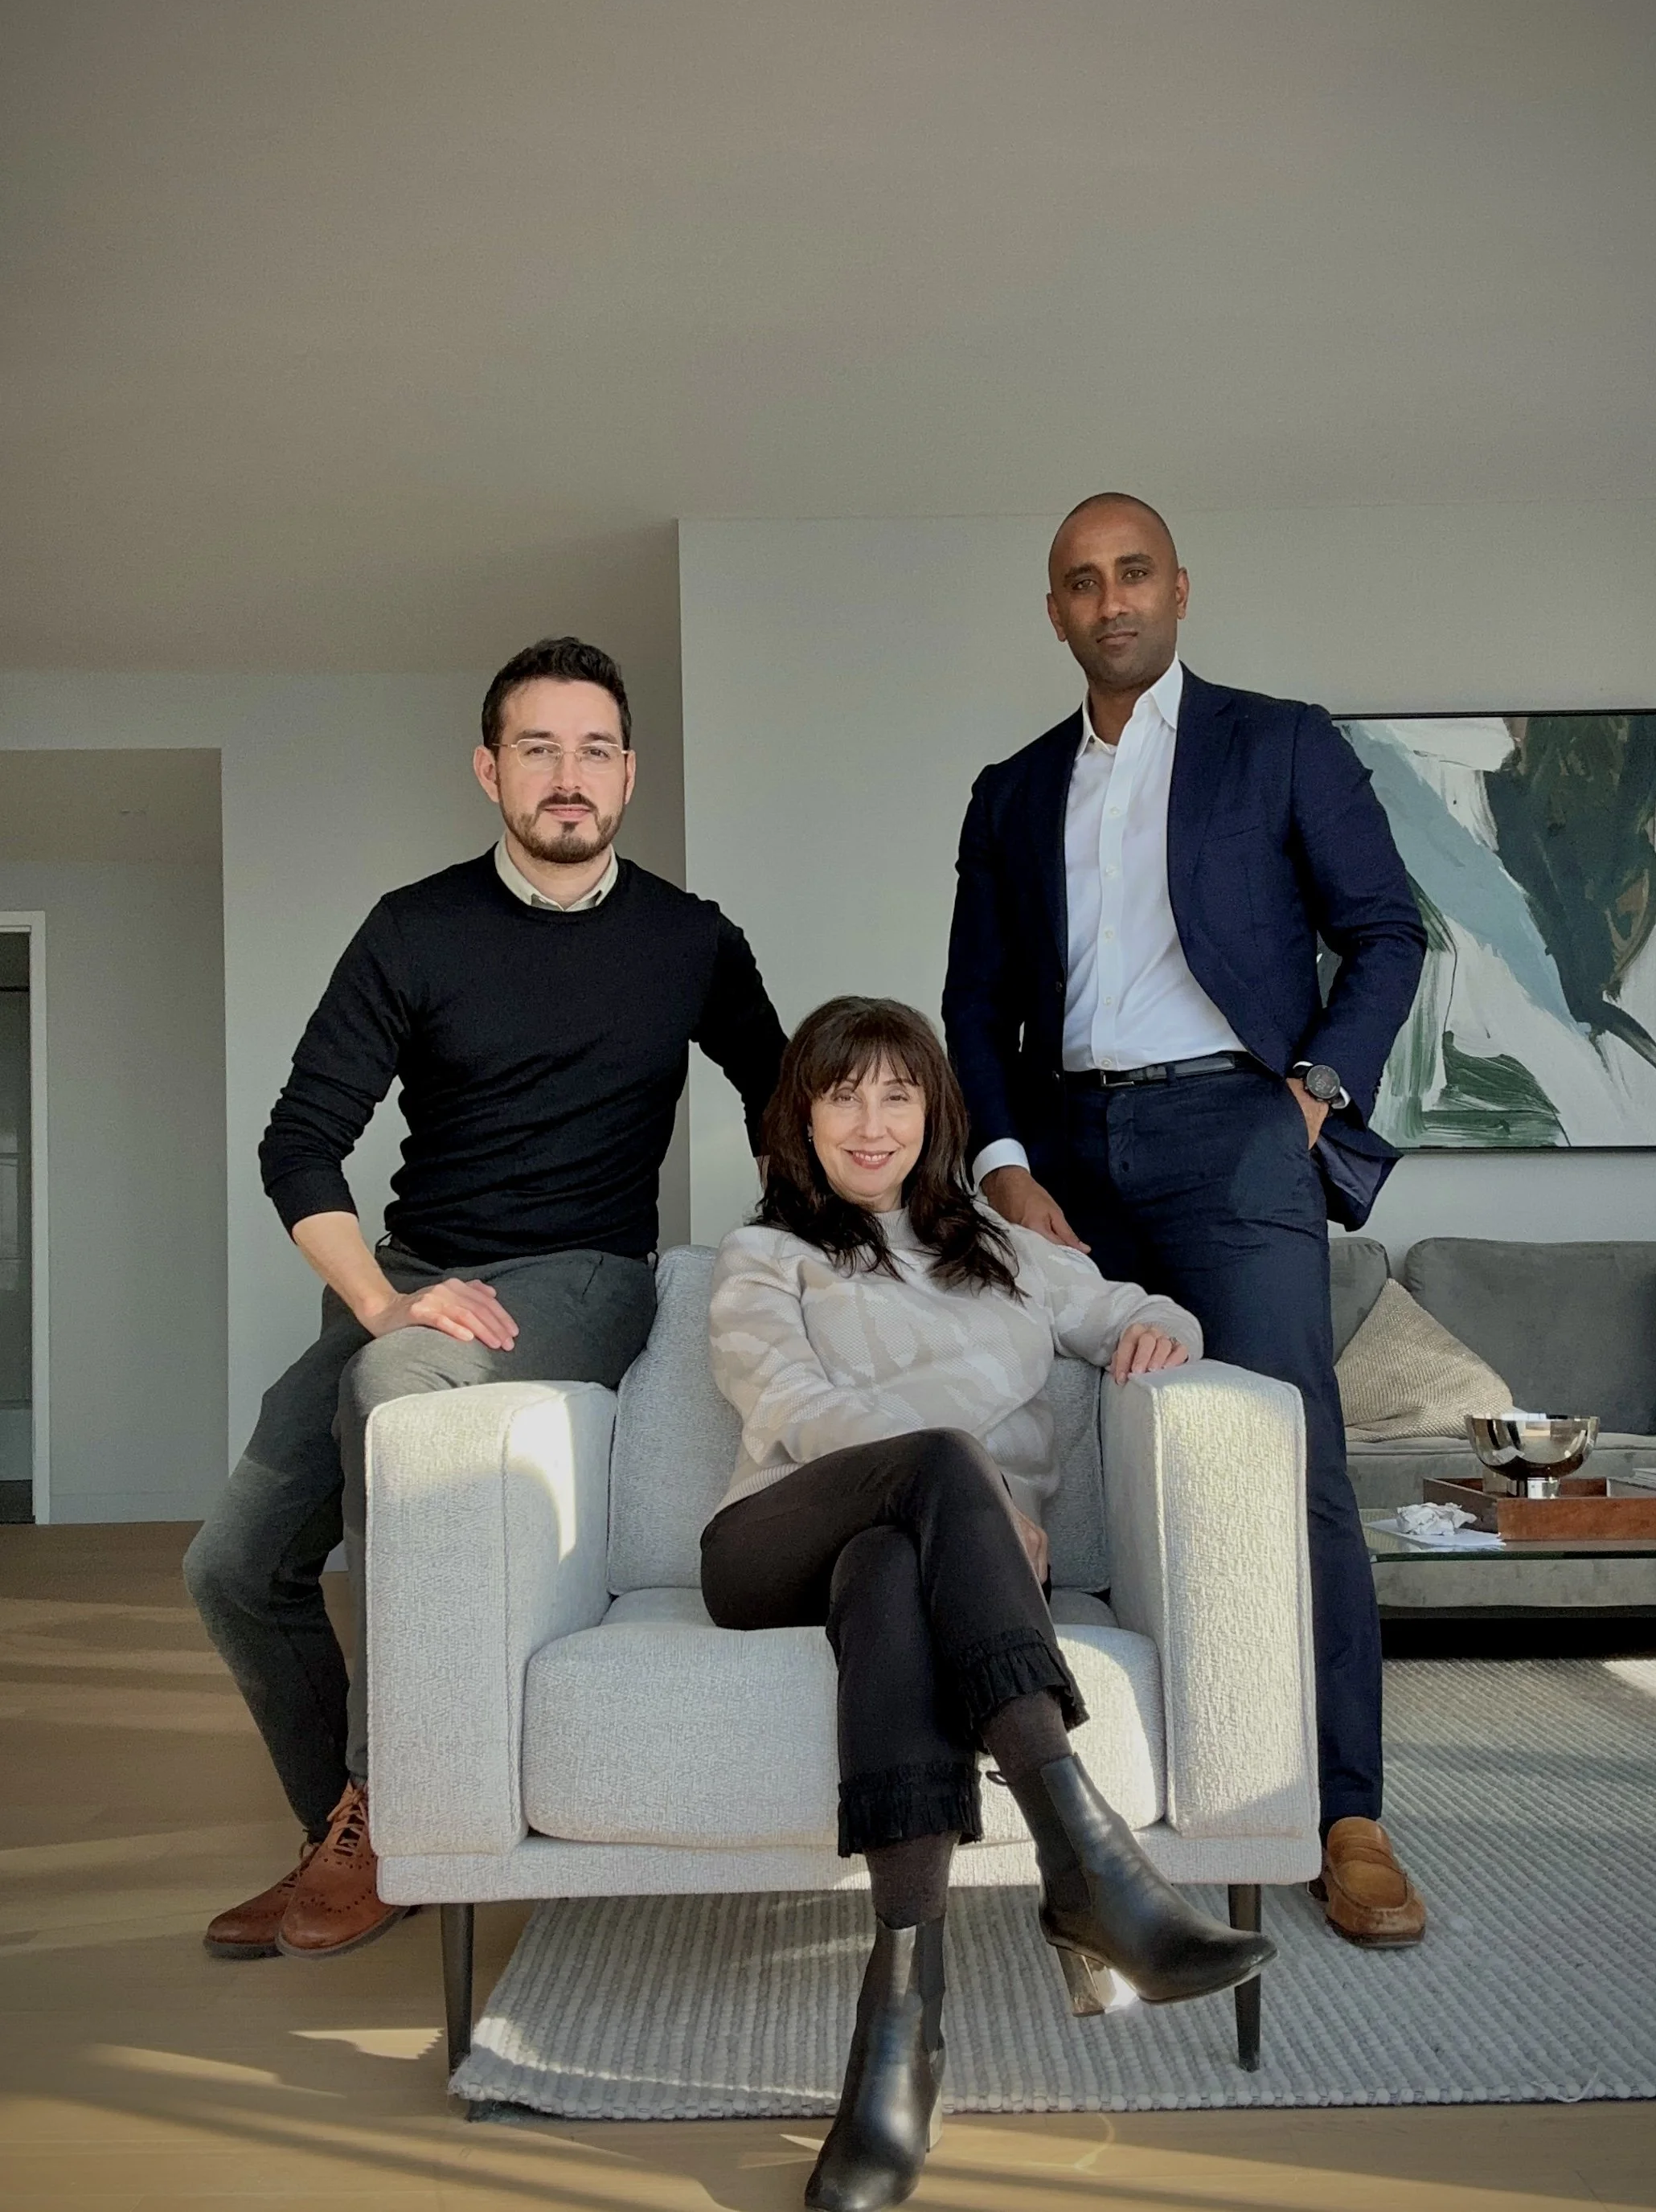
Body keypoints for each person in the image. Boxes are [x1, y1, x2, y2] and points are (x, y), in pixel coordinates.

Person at [186, 637, 786, 1962]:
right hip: (413, 1276)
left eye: (593, 751)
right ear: (487, 769)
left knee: (389, 1391)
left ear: (628, 772)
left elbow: (784, 1100)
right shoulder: (415, 927)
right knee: (230, 1563)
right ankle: (361, 1831)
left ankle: (391, 1807)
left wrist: (791, 1250)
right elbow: (301, 1140)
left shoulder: (690, 940)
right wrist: (386, 1300)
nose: (567, 778)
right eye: (537, 748)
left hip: (584, 1274)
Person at [943, 494, 1429, 1950]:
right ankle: (1128, 1802)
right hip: (1068, 1155)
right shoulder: (1013, 787)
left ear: (1178, 588)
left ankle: (1342, 1809)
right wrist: (1007, 1158)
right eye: (1081, 582)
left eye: (1133, 572)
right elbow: (974, 1002)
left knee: (1288, 1462)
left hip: (1235, 1129)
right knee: (1088, 1462)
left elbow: (1386, 929)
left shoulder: (1274, 741)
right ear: (1055, 613)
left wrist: (1313, 1093)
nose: (1112, 600)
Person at [703, 995, 1272, 2212]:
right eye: (841, 1093)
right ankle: (1088, 1864)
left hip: (911, 1568)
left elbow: (1143, 1309)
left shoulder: (1009, 1258)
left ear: (934, 1115)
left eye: (896, 1094)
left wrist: (1160, 1330)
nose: (870, 1121)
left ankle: (896, 2040)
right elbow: (791, 1408)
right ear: (799, 1116)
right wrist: (951, 1473)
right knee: (929, 1479)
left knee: (891, 1579)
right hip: (768, 1542)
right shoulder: (765, 1257)